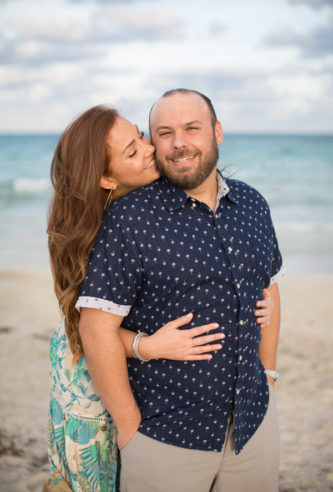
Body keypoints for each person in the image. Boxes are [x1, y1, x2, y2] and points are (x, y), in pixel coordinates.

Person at [44, 105, 274, 492]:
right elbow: (85, 327)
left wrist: (245, 302)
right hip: (87, 372)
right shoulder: (99, 228)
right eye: (132, 152)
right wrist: (144, 347)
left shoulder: (166, 199)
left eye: (140, 136)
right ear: (104, 178)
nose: (150, 149)